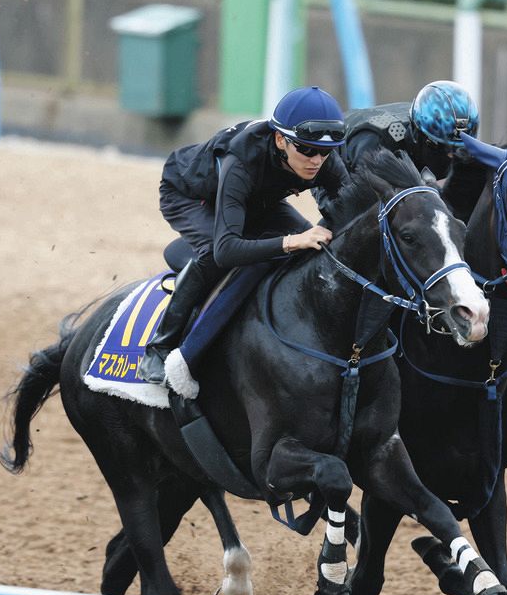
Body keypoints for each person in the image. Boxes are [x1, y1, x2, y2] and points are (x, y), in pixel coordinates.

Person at [135, 85, 351, 386]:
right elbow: (227, 251)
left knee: (310, 243)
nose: (316, 160)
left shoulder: (323, 158)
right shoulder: (241, 162)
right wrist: (291, 242)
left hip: (258, 200)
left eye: (326, 152)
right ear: (280, 139)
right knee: (212, 252)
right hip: (190, 196)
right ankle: (159, 349)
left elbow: (354, 205)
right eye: (306, 150)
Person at [314, 80, 483, 222]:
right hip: (330, 158)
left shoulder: (437, 131)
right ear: (417, 134)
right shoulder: (377, 144)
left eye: (460, 149)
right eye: (441, 147)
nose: (451, 156)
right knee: (346, 218)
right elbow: (360, 207)